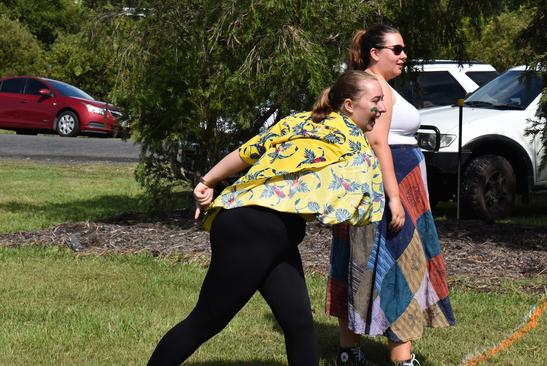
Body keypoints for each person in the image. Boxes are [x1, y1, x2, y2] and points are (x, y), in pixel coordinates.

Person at [147, 70, 387, 366]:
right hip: (255, 230)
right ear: (350, 105)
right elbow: (370, 204)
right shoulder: (355, 143)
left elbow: (247, 151)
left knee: (298, 323)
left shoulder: (301, 120)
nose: (383, 108)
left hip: (263, 229)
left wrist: (207, 181)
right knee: (206, 321)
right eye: (376, 100)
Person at [327, 25, 456, 366]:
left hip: (393, 183)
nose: (403, 55)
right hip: (391, 185)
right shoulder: (375, 87)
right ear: (375, 52)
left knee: (359, 261)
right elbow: (378, 142)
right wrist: (395, 198)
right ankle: (402, 360)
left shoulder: (361, 84)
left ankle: (348, 352)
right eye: (396, 49)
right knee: (400, 266)